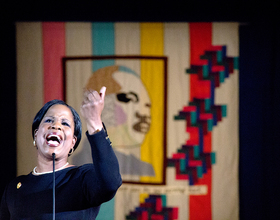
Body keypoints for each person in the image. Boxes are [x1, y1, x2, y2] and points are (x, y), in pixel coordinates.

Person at [0, 86, 122, 219]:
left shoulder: (83, 179)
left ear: (72, 143)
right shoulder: (13, 190)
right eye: (48, 120)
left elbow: (111, 182)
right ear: (36, 135)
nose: (56, 126)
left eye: (65, 123)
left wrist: (94, 122)